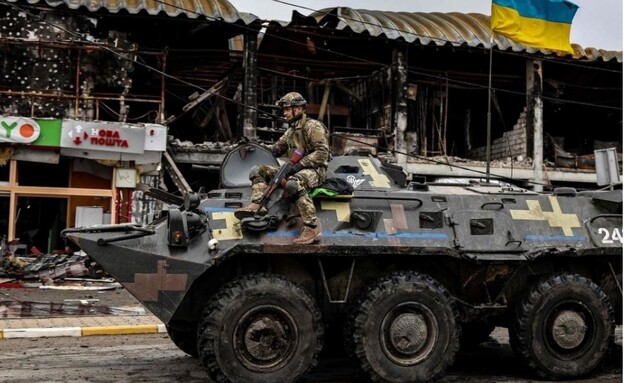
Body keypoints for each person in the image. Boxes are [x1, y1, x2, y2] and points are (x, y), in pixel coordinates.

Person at [235, 92, 330, 244]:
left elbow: (322, 153)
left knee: (293, 183)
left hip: (316, 170)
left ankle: (311, 227)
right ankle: (258, 203)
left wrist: (300, 165)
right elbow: (276, 149)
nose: (284, 113)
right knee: (257, 170)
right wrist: (253, 146)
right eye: (284, 110)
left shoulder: (314, 127)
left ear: (298, 109)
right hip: (295, 167)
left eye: (287, 109)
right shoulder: (291, 131)